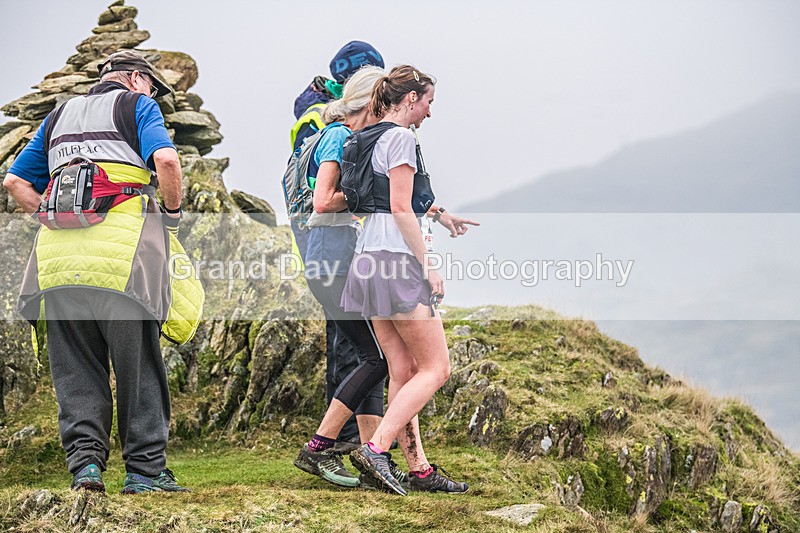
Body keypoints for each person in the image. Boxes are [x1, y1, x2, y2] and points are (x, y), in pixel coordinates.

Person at [3, 50, 202, 494]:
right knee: (138, 369)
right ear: (135, 78)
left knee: (76, 371)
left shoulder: (59, 115)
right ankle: (146, 472)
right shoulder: (137, 106)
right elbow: (167, 163)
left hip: (55, 266)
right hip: (122, 261)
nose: (153, 93)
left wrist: (55, 216)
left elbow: (15, 182)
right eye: (152, 84)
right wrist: (171, 216)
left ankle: (86, 469)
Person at [343, 66, 478, 495]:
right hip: (397, 261)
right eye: (428, 103)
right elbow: (401, 208)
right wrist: (429, 265)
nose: (430, 113)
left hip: (367, 258)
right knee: (437, 368)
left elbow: (387, 199)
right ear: (410, 99)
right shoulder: (401, 138)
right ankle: (376, 448)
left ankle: (417, 468)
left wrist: (440, 213)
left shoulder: (364, 136)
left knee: (402, 369)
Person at [289, 41, 385, 445]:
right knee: (370, 355)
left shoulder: (314, 122)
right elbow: (324, 200)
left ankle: (366, 448)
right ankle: (333, 443)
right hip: (334, 254)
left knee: (365, 352)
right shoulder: (336, 134)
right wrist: (375, 195)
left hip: (322, 251)